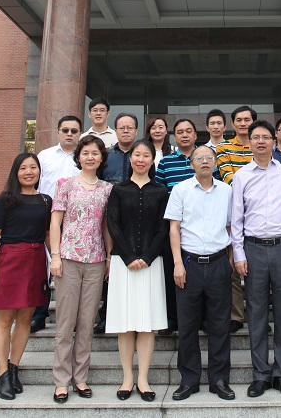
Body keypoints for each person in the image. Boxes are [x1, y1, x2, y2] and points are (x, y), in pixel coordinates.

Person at [231, 120, 281, 398]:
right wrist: (239, 253)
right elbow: (236, 219)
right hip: (254, 250)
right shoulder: (241, 176)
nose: (261, 141)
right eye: (256, 137)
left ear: (274, 141)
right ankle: (260, 374)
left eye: (265, 137)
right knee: (257, 314)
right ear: (249, 142)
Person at [164, 145, 235, 401]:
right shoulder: (180, 190)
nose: (204, 161)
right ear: (191, 163)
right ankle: (189, 379)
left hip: (218, 263)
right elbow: (174, 228)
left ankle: (219, 380)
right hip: (189, 264)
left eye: (208, 158)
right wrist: (177, 263)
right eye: (199, 158)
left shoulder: (227, 191)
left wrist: (229, 260)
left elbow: (231, 227)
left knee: (220, 325)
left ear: (215, 163)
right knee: (187, 326)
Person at [50, 135, 113, 403]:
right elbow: (55, 222)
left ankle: (81, 377)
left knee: (87, 322)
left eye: (95, 153)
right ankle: (61, 380)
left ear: (101, 158)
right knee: (65, 322)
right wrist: (55, 256)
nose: (90, 157)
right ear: (78, 157)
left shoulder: (107, 189)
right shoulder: (65, 185)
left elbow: (106, 226)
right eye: (85, 152)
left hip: (96, 260)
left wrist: (109, 256)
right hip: (68, 258)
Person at [0, 153, 51, 400]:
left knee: (25, 318)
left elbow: (47, 234)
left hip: (36, 260)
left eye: (33, 167)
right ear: (16, 172)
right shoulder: (5, 200)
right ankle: (3, 374)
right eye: (23, 168)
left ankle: (14, 368)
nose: (28, 172)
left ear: (39, 171)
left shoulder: (45, 200)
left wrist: (55, 260)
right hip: (10, 259)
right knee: (4, 320)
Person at [106, 139, 168, 402]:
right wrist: (129, 256)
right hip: (123, 263)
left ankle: (143, 378)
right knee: (125, 324)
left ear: (153, 160)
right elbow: (113, 224)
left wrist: (148, 257)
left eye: (146, 155)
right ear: (130, 158)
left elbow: (164, 228)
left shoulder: (161, 191)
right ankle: (127, 378)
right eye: (137, 155)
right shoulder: (118, 190)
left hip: (151, 265)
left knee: (146, 325)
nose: (141, 159)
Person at [31, 115, 82, 333]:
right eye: (65, 130)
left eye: (74, 131)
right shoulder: (45, 156)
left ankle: (73, 317)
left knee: (71, 269)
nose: (69, 134)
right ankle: (39, 313)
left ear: (80, 133)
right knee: (44, 265)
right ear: (58, 132)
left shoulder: (84, 156)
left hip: (76, 220)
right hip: (45, 216)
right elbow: (35, 183)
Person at [93, 113, 139, 335]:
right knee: (109, 267)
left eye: (130, 127)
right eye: (122, 127)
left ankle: (135, 315)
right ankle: (106, 316)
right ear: (116, 131)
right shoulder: (106, 156)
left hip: (136, 219)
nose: (126, 131)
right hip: (109, 218)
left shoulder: (141, 154)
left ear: (136, 131)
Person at [154, 119, 201, 335]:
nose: (184, 135)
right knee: (172, 272)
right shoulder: (166, 162)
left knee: (199, 275)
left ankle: (201, 318)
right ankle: (172, 319)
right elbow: (159, 192)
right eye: (180, 132)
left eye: (188, 131)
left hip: (200, 227)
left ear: (195, 135)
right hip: (173, 226)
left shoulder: (205, 157)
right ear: (174, 136)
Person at [216, 105, 257, 333]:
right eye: (239, 120)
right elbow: (229, 179)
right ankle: (236, 315)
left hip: (259, 216)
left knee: (257, 272)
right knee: (233, 266)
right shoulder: (223, 148)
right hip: (232, 214)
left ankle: (258, 317)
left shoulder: (260, 145)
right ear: (232, 124)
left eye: (247, 119)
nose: (243, 123)